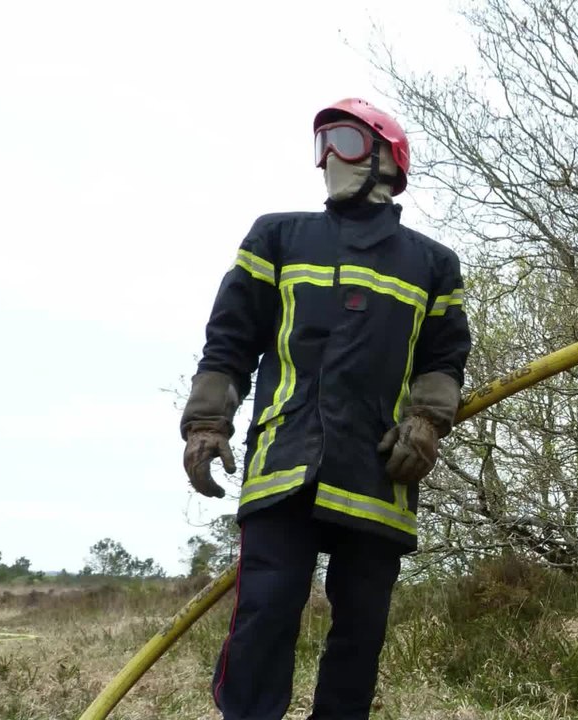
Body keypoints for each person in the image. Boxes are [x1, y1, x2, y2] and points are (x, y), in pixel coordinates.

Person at [179, 97, 471, 720]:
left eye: (342, 140)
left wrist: (426, 422)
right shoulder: (277, 236)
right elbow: (229, 340)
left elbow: (444, 359)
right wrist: (206, 423)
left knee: (360, 633)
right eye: (322, 145)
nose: (328, 159)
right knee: (265, 613)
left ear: (387, 158)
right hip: (286, 466)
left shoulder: (433, 264)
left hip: (380, 473)